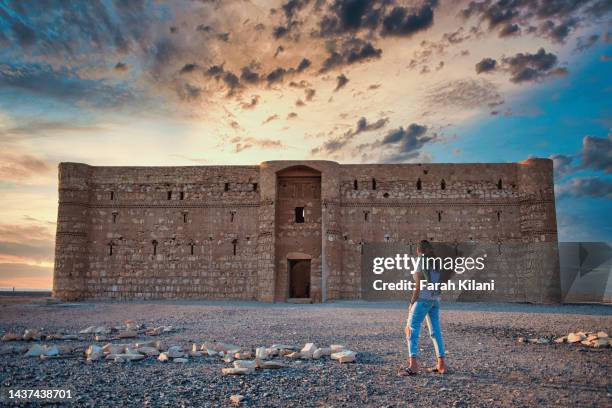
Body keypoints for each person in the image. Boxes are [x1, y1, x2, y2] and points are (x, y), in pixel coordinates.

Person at [399, 240, 446, 376]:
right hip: (435, 299)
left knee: (411, 327)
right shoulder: (435, 261)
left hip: (423, 298)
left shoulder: (421, 260)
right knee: (435, 331)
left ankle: (413, 366)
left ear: (419, 250)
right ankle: (441, 365)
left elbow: (418, 285)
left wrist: (411, 302)